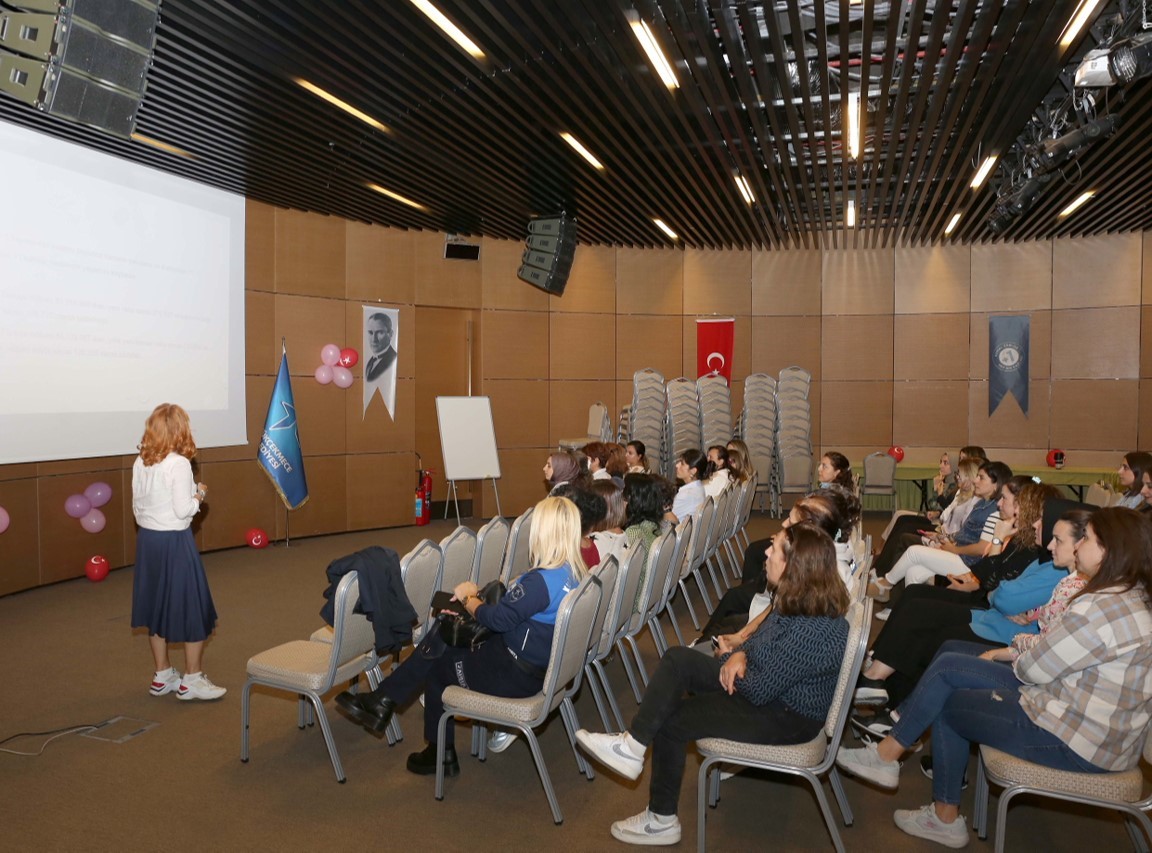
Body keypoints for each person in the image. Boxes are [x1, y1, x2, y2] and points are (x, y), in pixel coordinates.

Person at [837, 507, 1152, 849]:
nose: (1076, 548)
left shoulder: (1098, 609)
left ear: (1110, 550)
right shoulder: (1122, 598)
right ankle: (892, 757)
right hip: (1085, 721)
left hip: (1080, 741)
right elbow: (1046, 649)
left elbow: (1034, 667)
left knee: (950, 700)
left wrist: (1016, 648)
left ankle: (932, 806)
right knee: (951, 660)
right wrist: (1023, 649)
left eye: (1086, 539)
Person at [576, 523, 851, 846]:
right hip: (768, 691)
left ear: (795, 565)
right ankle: (633, 747)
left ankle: (660, 820)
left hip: (786, 716)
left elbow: (760, 690)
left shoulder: (814, 627)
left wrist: (727, 659)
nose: (766, 551)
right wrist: (739, 655)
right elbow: (760, 640)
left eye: (774, 549)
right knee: (678, 660)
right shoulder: (797, 597)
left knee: (673, 721)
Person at [335, 496, 588, 776]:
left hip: (514, 676)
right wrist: (475, 602)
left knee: (438, 668)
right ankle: (383, 701)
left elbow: (498, 619)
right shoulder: (574, 573)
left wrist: (469, 597)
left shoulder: (540, 581)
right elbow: (515, 614)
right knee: (447, 630)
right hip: (533, 663)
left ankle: (436, 751)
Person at [854, 499, 1088, 715]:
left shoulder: (1052, 568)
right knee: (918, 600)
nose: (1037, 524)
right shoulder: (1044, 558)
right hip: (993, 616)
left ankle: (888, 700)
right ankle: (880, 678)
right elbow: (995, 584)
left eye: (1045, 523)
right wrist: (997, 590)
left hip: (1000, 629)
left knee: (930, 630)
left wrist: (996, 572)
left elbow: (998, 590)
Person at [130, 403, 224, 701]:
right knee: (192, 607)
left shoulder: (140, 462)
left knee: (156, 609)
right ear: (180, 429)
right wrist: (200, 494)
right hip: (174, 543)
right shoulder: (179, 464)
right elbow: (184, 512)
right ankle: (192, 679)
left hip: (148, 543)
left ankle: (162, 675)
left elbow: (136, 509)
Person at [869, 460, 1011, 598]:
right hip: (960, 554)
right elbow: (964, 534)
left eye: (981, 478)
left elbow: (982, 548)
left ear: (995, 484)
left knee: (913, 552)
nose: (975, 481)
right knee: (914, 572)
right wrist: (946, 540)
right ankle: (907, 612)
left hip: (969, 564)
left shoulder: (994, 511)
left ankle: (885, 585)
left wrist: (954, 549)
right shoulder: (982, 504)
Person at [666, 448, 711, 523]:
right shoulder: (699, 487)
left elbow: (670, 524)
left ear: (693, 471)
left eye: (682, 464)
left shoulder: (686, 495)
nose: (677, 465)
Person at [364, 311, 397, 383]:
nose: (374, 339)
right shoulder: (370, 361)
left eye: (380, 332)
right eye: (370, 332)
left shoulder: (395, 360)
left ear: (390, 334)